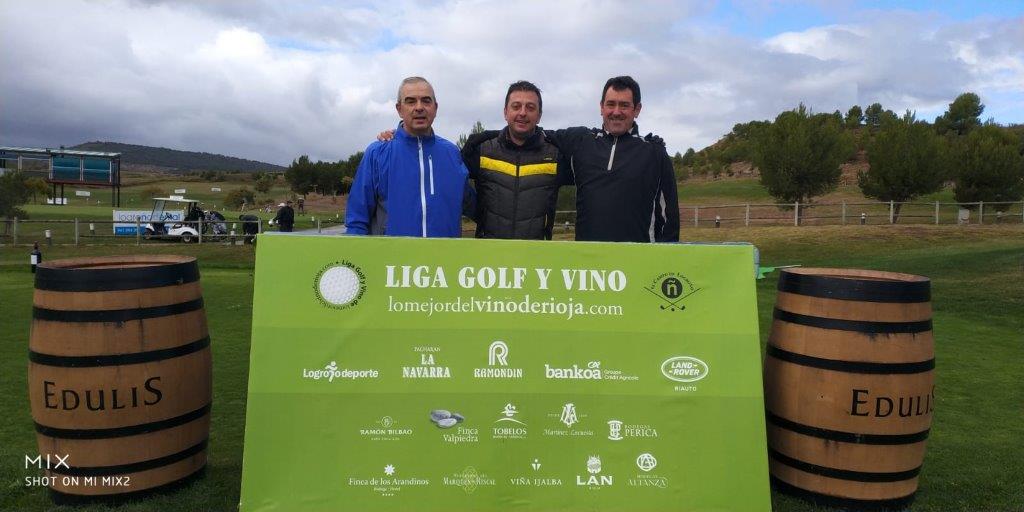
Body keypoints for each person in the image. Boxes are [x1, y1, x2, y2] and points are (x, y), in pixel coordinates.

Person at [468, 76, 680, 243]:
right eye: (611, 104)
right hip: (586, 265)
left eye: (624, 105)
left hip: (639, 261)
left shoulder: (654, 152)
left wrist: (668, 257)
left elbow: (669, 216)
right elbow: (527, 130)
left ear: (637, 109)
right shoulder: (580, 141)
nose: (616, 112)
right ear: (601, 107)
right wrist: (487, 136)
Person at [346, 76, 471, 237]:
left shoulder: (452, 154)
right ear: (399, 109)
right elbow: (357, 219)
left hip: (443, 259)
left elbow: (476, 206)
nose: (419, 107)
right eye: (411, 101)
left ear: (435, 107)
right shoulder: (377, 153)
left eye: (426, 101)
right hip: (392, 259)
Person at [461, 81, 567, 239]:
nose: (523, 113)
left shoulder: (556, 155)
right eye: (516, 106)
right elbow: (454, 188)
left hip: (537, 257)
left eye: (530, 107)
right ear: (505, 112)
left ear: (539, 115)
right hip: (489, 255)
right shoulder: (481, 150)